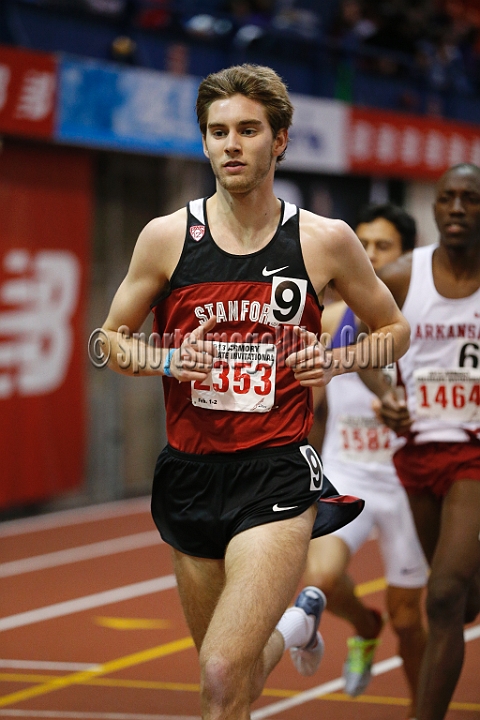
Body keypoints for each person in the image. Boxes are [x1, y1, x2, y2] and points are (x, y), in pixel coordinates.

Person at [99, 63, 410, 720]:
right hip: (189, 475)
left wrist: (336, 357)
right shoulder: (165, 238)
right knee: (230, 685)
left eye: (247, 130)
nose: (231, 145)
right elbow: (108, 343)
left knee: (218, 671)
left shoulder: (324, 241)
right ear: (204, 142)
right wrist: (165, 356)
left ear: (281, 140)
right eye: (217, 132)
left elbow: (395, 330)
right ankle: (296, 629)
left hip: (274, 474)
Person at [297, 203, 428, 720]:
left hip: (405, 483)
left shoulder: (425, 323)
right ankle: (364, 626)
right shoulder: (332, 319)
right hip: (346, 472)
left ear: (407, 257)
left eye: (383, 248)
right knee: (319, 580)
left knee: (409, 617)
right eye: (364, 246)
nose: (369, 256)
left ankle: (424, 707)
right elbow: (307, 399)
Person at [367, 163, 480, 720]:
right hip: (418, 452)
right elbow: (351, 337)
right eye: (447, 198)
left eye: (470, 199)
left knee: (440, 596)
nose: (457, 208)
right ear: (433, 209)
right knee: (460, 605)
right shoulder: (405, 275)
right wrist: (385, 391)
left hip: (475, 453)